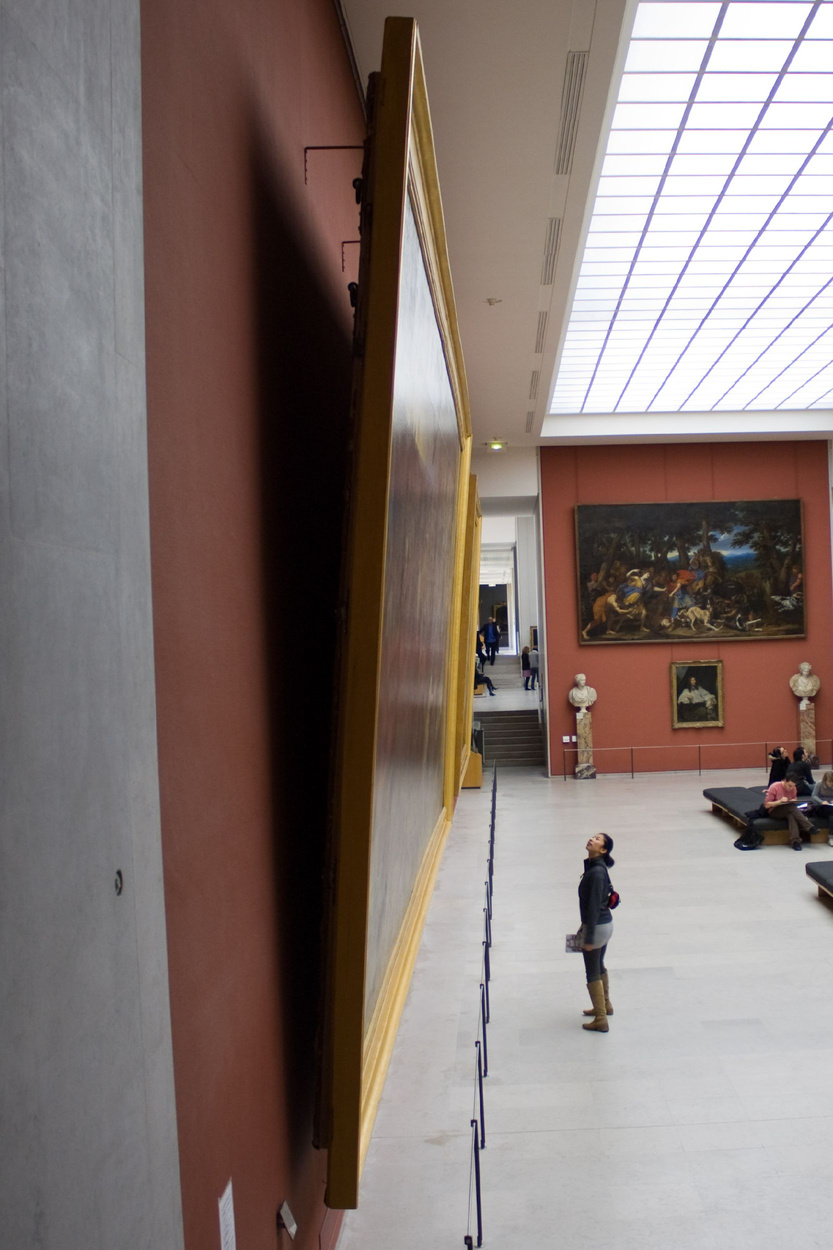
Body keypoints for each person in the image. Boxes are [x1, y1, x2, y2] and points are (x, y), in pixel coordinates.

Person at [577, 833, 615, 1033]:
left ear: (603, 850)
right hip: (604, 925)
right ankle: (605, 1005)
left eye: (598, 839)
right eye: (593, 837)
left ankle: (600, 1019)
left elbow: (592, 906)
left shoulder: (596, 872)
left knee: (591, 970)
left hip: (597, 927)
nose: (592, 839)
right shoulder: (596, 868)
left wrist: (589, 936)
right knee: (599, 964)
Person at [764, 776, 813, 850]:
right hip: (774, 811)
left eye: (793, 786)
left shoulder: (793, 788)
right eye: (789, 785)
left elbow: (794, 799)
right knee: (790, 807)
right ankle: (808, 826)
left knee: (791, 815)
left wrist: (794, 801)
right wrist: (780, 801)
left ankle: (795, 841)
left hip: (789, 810)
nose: (791, 788)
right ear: (785, 781)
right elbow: (767, 805)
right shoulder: (774, 786)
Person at [809, 770, 833, 846]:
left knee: (832, 817)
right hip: (820, 807)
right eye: (829, 782)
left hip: (830, 807)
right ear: (825, 780)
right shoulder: (819, 784)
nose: (830, 784)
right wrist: (821, 802)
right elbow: (813, 796)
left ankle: (831, 837)